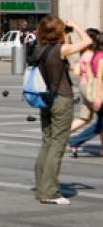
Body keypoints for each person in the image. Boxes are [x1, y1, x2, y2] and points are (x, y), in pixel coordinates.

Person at [32, 16, 91, 205]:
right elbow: (88, 41)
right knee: (58, 145)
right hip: (61, 99)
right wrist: (75, 27)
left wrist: (63, 34)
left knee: (47, 143)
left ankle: (42, 187)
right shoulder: (60, 50)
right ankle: (50, 192)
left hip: (45, 99)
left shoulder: (38, 49)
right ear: (57, 32)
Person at [70, 31, 103, 157]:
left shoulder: (94, 55)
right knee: (98, 124)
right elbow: (99, 78)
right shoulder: (99, 57)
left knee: (92, 120)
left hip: (89, 89)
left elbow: (85, 73)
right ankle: (75, 140)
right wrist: (98, 97)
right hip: (98, 92)